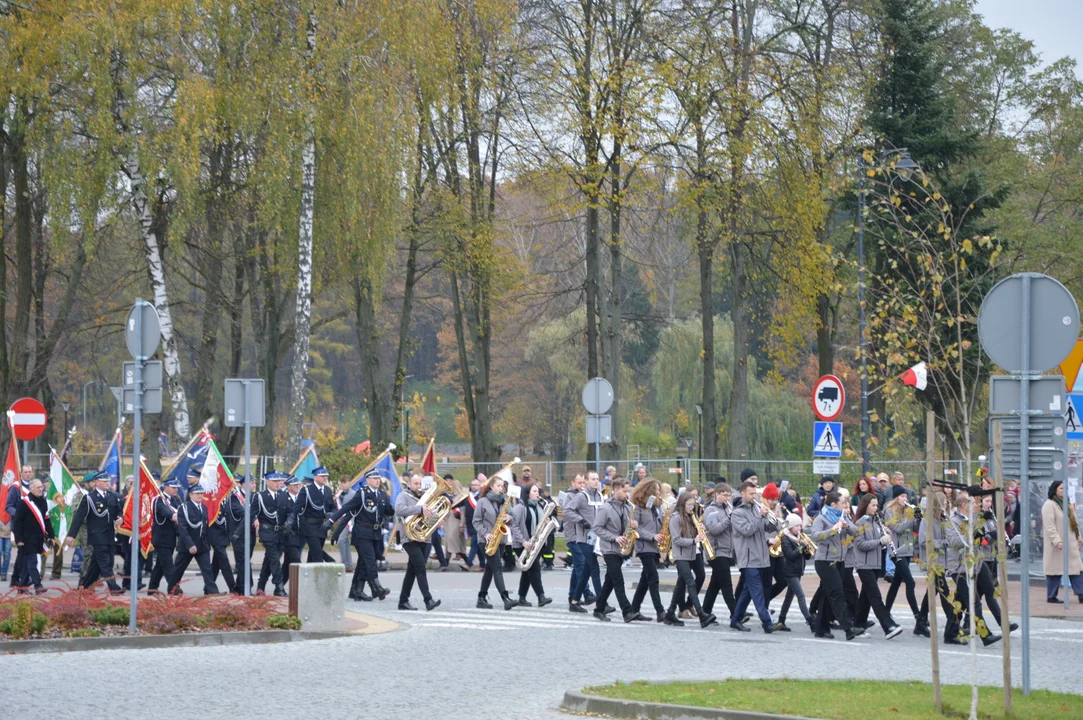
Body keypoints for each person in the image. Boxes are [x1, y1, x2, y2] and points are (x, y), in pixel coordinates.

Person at [327, 468, 395, 602]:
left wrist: (391, 509)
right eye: (374, 478)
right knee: (370, 561)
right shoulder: (362, 494)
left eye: (378, 478)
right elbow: (347, 509)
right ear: (368, 480)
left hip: (376, 533)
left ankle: (356, 591)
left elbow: (388, 511)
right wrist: (331, 521)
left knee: (363, 563)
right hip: (362, 533)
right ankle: (377, 588)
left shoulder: (381, 494)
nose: (377, 480)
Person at [946, 493, 1001, 646]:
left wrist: (989, 536)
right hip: (960, 566)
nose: (976, 505)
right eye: (973, 503)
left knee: (961, 601)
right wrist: (973, 534)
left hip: (975, 563)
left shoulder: (973, 519)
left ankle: (950, 633)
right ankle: (985, 635)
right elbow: (955, 542)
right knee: (974, 601)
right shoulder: (953, 522)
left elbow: (980, 540)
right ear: (964, 505)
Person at [809, 491, 863, 640]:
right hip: (825, 561)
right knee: (838, 593)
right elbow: (815, 535)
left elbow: (856, 532)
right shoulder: (821, 518)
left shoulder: (843, 516)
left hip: (840, 560)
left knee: (828, 595)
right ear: (833, 504)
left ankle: (820, 629)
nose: (845, 506)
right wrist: (832, 530)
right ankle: (848, 627)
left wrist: (847, 526)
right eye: (842, 503)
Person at [728, 481, 781, 634]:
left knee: (747, 591)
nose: (754, 496)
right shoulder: (737, 513)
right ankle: (767, 622)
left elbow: (765, 529)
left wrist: (774, 520)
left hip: (761, 556)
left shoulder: (755, 508)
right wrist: (759, 516)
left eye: (755, 493)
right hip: (748, 558)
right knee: (757, 591)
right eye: (751, 494)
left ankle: (735, 619)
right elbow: (747, 530)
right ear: (742, 494)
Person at [590, 477, 645, 623]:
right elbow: (597, 528)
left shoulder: (628, 507)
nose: (627, 494)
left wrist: (633, 525)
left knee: (610, 581)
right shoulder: (605, 508)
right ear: (615, 490)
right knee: (618, 580)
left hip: (622, 549)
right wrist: (614, 538)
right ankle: (627, 612)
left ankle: (599, 609)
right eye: (624, 491)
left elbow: (629, 525)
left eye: (628, 491)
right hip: (609, 549)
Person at [852, 496, 904, 639]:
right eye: (873, 505)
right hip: (864, 565)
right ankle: (888, 626)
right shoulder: (861, 523)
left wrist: (885, 534)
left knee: (865, 597)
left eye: (876, 505)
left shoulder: (876, 522)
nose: (876, 508)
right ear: (865, 506)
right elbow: (861, 544)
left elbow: (879, 540)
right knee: (875, 596)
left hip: (875, 564)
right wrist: (881, 541)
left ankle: (858, 625)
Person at [65, 471, 123, 594]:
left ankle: (84, 587)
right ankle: (114, 588)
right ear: (97, 483)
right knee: (105, 562)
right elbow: (78, 517)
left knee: (96, 564)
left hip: (109, 535)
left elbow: (118, 511)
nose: (108, 483)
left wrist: (120, 518)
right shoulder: (89, 498)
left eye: (108, 481)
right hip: (96, 535)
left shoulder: (112, 496)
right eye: (105, 481)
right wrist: (71, 535)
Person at [665, 490, 715, 628]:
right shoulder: (675, 518)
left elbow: (696, 535)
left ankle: (670, 613)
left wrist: (702, 530)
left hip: (692, 553)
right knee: (690, 583)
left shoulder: (691, 517)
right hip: (680, 555)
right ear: (682, 504)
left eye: (693, 505)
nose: (692, 508)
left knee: (682, 584)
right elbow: (676, 540)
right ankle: (701, 614)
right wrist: (693, 541)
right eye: (689, 505)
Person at [914, 490, 959, 642]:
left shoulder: (943, 520)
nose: (945, 507)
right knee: (944, 591)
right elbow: (924, 542)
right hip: (932, 561)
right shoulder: (927, 520)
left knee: (932, 592)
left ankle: (920, 622)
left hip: (941, 561)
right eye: (943, 504)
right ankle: (952, 624)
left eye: (946, 504)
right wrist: (944, 543)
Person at [395, 473, 440, 611]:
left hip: (424, 538)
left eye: (420, 483)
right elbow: (399, 510)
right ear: (409, 484)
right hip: (409, 538)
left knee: (412, 570)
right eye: (416, 483)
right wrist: (419, 508)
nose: (418, 486)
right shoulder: (404, 496)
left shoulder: (427, 498)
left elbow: (429, 520)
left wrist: (437, 519)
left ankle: (403, 601)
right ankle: (428, 600)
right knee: (420, 566)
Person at [473, 474, 518, 611]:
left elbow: (513, 518)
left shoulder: (505, 501)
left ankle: (481, 597)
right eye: (498, 486)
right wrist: (485, 534)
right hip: (486, 540)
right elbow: (476, 521)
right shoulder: (482, 501)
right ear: (491, 487)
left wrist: (508, 517)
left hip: (501, 539)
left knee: (490, 570)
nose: (501, 488)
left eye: (502, 486)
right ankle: (505, 598)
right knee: (497, 568)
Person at [563, 472, 604, 613]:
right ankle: (601, 601)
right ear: (586, 481)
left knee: (583, 570)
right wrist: (581, 520)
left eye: (597, 479)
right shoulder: (579, 496)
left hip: (595, 538)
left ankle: (574, 600)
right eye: (593, 479)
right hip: (580, 538)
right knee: (593, 568)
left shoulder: (599, 495)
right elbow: (567, 511)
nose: (596, 482)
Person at [628, 478, 666, 622]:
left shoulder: (655, 508)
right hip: (644, 546)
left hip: (654, 547)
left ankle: (634, 609)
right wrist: (653, 536)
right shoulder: (638, 508)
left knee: (644, 580)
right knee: (653, 578)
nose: (658, 492)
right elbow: (636, 528)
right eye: (655, 490)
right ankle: (660, 611)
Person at [509, 483, 552, 607]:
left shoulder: (539, 507)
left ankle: (522, 598)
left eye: (538, 491)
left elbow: (539, 524)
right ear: (528, 494)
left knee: (527, 571)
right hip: (522, 544)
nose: (537, 493)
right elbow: (514, 526)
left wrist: (546, 522)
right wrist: (523, 541)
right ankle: (541, 596)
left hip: (535, 544)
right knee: (534, 569)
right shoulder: (519, 508)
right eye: (534, 491)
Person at [883, 485, 921, 626]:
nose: (905, 499)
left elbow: (914, 529)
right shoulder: (889, 511)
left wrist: (918, 518)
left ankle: (886, 612)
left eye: (906, 497)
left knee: (896, 583)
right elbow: (898, 528)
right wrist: (911, 517)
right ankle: (918, 617)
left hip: (907, 550)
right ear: (896, 497)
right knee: (910, 582)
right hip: (896, 551)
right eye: (902, 496)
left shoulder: (907, 511)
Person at [1041, 480, 1083, 603]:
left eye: (1065, 489)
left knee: (1077, 569)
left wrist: (1079, 538)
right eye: (1061, 489)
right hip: (1057, 545)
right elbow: (1049, 526)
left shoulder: (1067, 504)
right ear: (1054, 490)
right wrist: (1057, 541)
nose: (1063, 491)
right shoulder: (1049, 505)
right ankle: (1051, 596)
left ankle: (1081, 593)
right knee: (1054, 570)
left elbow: (1074, 523)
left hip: (1070, 543)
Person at [702, 482, 738, 618]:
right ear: (717, 494)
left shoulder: (728, 509)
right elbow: (714, 530)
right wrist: (729, 519)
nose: (727, 498)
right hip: (716, 551)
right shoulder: (710, 510)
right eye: (724, 495)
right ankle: (736, 614)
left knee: (715, 584)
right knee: (726, 584)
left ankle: (705, 612)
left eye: (729, 495)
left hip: (727, 550)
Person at [13, 479, 54, 595]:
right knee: (32, 562)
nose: (41, 489)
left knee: (27, 564)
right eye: (38, 487)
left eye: (41, 487)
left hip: (38, 538)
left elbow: (46, 520)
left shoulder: (43, 502)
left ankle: (22, 587)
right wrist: (19, 539)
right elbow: (17, 522)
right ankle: (38, 585)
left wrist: (51, 535)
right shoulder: (24, 503)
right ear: (31, 489)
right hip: (26, 539)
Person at [287, 466, 335, 563]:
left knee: (313, 556)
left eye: (326, 476)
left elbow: (332, 506)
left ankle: (308, 575)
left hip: (322, 526)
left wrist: (332, 513)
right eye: (322, 476)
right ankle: (318, 576)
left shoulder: (328, 490)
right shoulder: (307, 490)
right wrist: (290, 520)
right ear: (315, 477)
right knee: (317, 555)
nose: (325, 478)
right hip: (310, 526)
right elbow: (296, 507)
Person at [255, 472, 289, 597]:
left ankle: (260, 586)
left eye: (279, 481)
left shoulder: (282, 495)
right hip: (267, 533)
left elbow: (290, 511)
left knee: (268, 560)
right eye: (274, 481)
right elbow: (251, 514)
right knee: (275, 560)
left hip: (280, 533)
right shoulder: (260, 496)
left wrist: (289, 521)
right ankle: (279, 587)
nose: (278, 483)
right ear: (267, 481)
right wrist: (238, 532)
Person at [776, 514, 812, 631]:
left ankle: (781, 620)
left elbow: (806, 557)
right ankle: (810, 621)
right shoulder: (786, 539)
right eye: (796, 526)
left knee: (789, 597)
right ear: (790, 527)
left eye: (800, 526)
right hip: (789, 571)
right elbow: (790, 555)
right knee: (801, 596)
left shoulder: (798, 539)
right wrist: (802, 546)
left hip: (797, 571)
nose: (799, 529)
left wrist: (807, 549)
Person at [148, 478, 182, 595]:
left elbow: (181, 510)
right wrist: (172, 515)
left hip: (170, 539)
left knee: (159, 566)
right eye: (173, 487)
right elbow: (163, 511)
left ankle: (152, 589)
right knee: (168, 565)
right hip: (161, 539)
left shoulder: (175, 500)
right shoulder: (159, 500)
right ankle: (174, 589)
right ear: (165, 487)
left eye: (177, 487)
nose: (175, 489)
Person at [226, 475, 256, 594]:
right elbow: (241, 512)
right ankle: (246, 587)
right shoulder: (235, 497)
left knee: (245, 561)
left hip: (251, 535)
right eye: (252, 483)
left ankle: (239, 587)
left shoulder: (254, 497)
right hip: (239, 535)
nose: (254, 485)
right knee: (243, 562)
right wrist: (253, 514)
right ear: (244, 484)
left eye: (254, 483)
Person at [207, 485, 236, 594]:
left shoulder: (225, 500)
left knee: (216, 563)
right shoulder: (215, 500)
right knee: (224, 561)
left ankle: (209, 588)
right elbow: (217, 518)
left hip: (223, 535)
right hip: (215, 535)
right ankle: (232, 586)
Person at [282, 476, 305, 587]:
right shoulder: (284, 498)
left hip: (301, 534)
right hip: (289, 534)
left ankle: (280, 584)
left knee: (288, 561)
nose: (297, 486)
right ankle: (302, 584)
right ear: (288, 486)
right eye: (294, 484)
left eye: (298, 484)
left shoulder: (301, 497)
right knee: (296, 559)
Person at [463, 476, 486, 571]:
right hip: (470, 524)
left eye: (476, 485)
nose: (473, 487)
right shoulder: (468, 496)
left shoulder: (482, 496)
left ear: (480, 486)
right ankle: (482, 565)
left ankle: (468, 563)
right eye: (472, 485)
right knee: (479, 546)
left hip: (479, 525)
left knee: (474, 544)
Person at [335, 476, 356, 572]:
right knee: (345, 542)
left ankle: (344, 563)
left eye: (345, 482)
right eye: (342, 483)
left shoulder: (353, 494)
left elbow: (355, 509)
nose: (343, 484)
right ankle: (348, 564)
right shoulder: (340, 494)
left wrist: (352, 522)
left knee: (341, 540)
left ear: (349, 483)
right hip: (342, 521)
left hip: (349, 521)